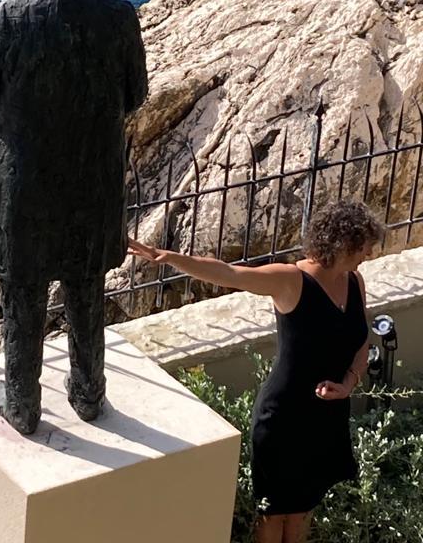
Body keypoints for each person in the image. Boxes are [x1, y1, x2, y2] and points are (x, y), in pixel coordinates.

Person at [0, 0, 148, 435]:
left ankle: (22, 403)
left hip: (24, 182)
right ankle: (89, 394)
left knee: (23, 291)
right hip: (92, 180)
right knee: (86, 287)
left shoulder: (5, 16)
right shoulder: (119, 17)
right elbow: (135, 95)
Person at [128, 199, 382, 543]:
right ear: (343, 243)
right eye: (364, 246)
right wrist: (169, 258)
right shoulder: (292, 280)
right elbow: (229, 274)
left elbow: (360, 341)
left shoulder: (354, 281)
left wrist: (349, 383)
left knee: (303, 510)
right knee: (274, 515)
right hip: (283, 418)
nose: (369, 253)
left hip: (326, 417)